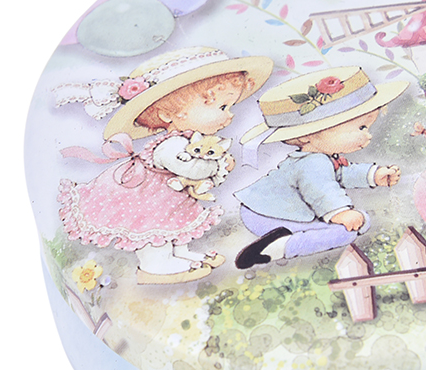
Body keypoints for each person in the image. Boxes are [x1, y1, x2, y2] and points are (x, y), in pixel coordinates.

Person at [57, 46, 272, 284]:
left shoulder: (190, 140)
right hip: (146, 198)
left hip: (169, 198)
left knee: (175, 221)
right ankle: (154, 266)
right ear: (169, 115)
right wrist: (218, 165)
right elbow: (191, 170)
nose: (230, 115)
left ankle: (179, 253)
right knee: (153, 227)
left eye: (230, 107)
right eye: (221, 107)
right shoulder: (171, 145)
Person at [234, 67, 406, 267]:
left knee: (360, 221)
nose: (368, 136)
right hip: (266, 215)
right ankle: (279, 248)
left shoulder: (319, 159)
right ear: (309, 134)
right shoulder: (313, 163)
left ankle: (280, 240)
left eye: (366, 128)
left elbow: (340, 174)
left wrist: (372, 175)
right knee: (345, 232)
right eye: (360, 128)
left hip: (263, 212)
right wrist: (340, 213)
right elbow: (322, 191)